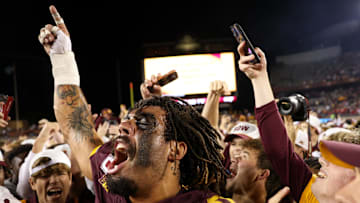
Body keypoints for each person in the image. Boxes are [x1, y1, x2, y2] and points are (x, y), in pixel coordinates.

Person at [38, 5, 234, 203]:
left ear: (175, 150)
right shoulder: (112, 178)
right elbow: (75, 127)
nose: (123, 126)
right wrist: (62, 59)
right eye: (129, 120)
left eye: (143, 123)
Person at [237, 40, 359, 202]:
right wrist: (259, 78)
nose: (321, 161)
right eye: (325, 156)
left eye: (333, 160)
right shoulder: (312, 193)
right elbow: (279, 152)